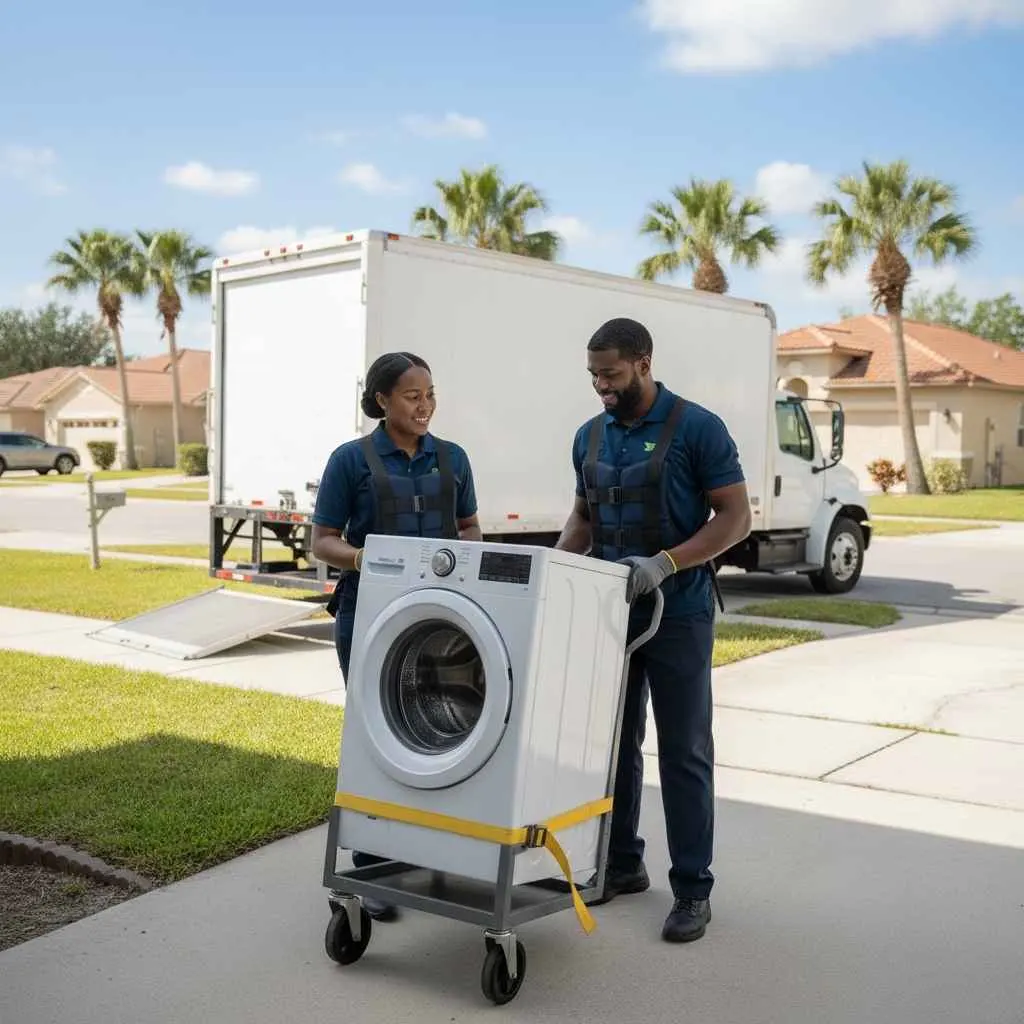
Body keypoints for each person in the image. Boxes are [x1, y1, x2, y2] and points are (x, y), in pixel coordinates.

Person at [554, 316, 752, 944]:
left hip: (679, 612)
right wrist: (555, 570)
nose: (601, 387)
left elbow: (737, 517)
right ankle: (620, 864)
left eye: (610, 375)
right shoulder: (589, 436)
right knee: (613, 745)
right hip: (611, 613)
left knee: (684, 751)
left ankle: (693, 889)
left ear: (643, 361)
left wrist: (666, 562)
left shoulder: (698, 427)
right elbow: (584, 517)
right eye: (593, 376)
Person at [311, 351, 482, 921]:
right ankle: (372, 865)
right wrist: (366, 559)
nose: (425, 405)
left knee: (438, 732)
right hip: (370, 615)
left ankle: (434, 848)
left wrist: (469, 566)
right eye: (412, 395)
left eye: (430, 393)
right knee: (375, 734)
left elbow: (467, 529)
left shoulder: (453, 459)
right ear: (382, 401)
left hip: (444, 621)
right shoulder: (350, 460)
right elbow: (323, 541)